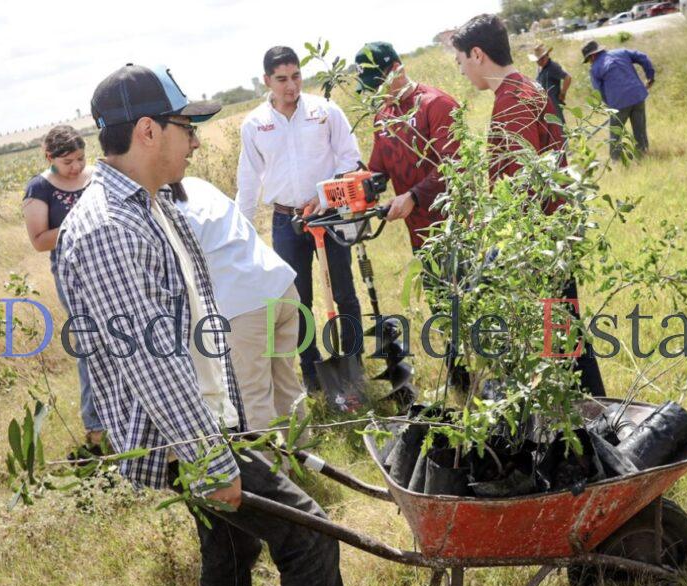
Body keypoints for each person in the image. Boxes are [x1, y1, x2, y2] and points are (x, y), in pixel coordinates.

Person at [57, 63, 355, 586]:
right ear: (147, 130)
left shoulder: (153, 202)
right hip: (182, 436)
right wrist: (212, 460)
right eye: (184, 127)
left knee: (231, 543)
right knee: (311, 539)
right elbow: (150, 362)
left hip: (207, 421)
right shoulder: (108, 227)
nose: (194, 141)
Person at [451, 13, 606, 397]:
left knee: (560, 334)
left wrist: (503, 253)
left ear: (477, 54)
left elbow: (522, 188)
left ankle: (594, 422)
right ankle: (591, 418)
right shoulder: (525, 89)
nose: (462, 73)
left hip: (537, 243)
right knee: (563, 332)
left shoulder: (514, 101)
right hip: (551, 236)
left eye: (460, 62)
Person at [236, 46, 364, 392]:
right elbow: (248, 182)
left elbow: (350, 158)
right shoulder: (255, 125)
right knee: (297, 301)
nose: (290, 86)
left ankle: (354, 365)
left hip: (329, 215)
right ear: (267, 81)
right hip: (286, 223)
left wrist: (323, 197)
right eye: (282, 79)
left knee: (344, 292)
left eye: (295, 77)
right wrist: (241, 235)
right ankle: (312, 372)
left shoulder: (324, 111)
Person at [354, 40, 470, 389]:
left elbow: (455, 165)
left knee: (470, 302)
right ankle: (461, 378)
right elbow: (377, 169)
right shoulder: (384, 117)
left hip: (456, 226)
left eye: (378, 85)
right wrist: (351, 187)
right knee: (443, 305)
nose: (376, 95)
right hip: (420, 233)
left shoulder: (437, 105)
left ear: (396, 69)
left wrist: (414, 196)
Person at [172, 176, 307, 441]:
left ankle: (273, 476)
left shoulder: (168, 213)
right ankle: (302, 454)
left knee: (252, 395)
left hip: (243, 305)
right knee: (285, 382)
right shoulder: (198, 185)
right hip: (279, 284)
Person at [21, 125, 104, 447]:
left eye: (81, 158)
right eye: (68, 161)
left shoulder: (96, 177)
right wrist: (82, 224)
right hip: (73, 273)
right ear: (49, 157)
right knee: (89, 343)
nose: (76, 167)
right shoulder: (39, 188)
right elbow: (40, 241)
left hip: (111, 264)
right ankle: (95, 427)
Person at [582, 40, 655, 161]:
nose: (590, 62)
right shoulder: (622, 52)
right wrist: (650, 76)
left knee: (615, 134)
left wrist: (610, 105)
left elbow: (598, 92)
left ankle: (616, 161)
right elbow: (643, 57)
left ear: (592, 56)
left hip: (618, 103)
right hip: (638, 96)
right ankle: (643, 155)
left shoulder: (595, 68)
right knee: (639, 129)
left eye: (588, 60)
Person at [529, 43, 572, 124]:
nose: (539, 61)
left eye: (542, 59)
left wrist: (563, 93)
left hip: (554, 103)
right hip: (545, 104)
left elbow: (567, 78)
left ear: (547, 56)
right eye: (538, 60)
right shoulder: (540, 68)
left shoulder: (553, 67)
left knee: (559, 126)